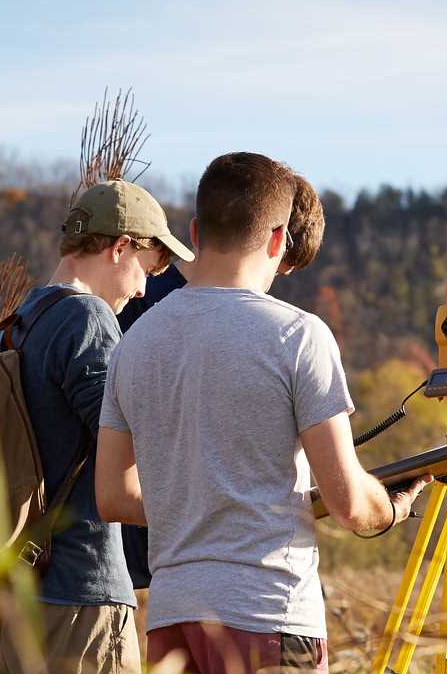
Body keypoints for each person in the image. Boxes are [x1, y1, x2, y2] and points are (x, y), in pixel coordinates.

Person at [95, 152, 425, 674]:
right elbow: (349, 502)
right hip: (270, 622)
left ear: (195, 225)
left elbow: (112, 495)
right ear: (278, 239)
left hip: (174, 621)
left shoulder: (136, 341)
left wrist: (203, 496)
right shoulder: (298, 337)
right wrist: (392, 506)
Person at [0, 178, 192, 674]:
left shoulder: (17, 323)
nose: (141, 290)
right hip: (82, 602)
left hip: (18, 598)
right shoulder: (87, 321)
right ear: (119, 246)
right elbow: (139, 445)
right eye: (146, 268)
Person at [113, 175, 328, 600]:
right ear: (274, 241)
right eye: (281, 266)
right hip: (157, 557)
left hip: (171, 572)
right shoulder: (139, 307)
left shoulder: (144, 304)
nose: (272, 281)